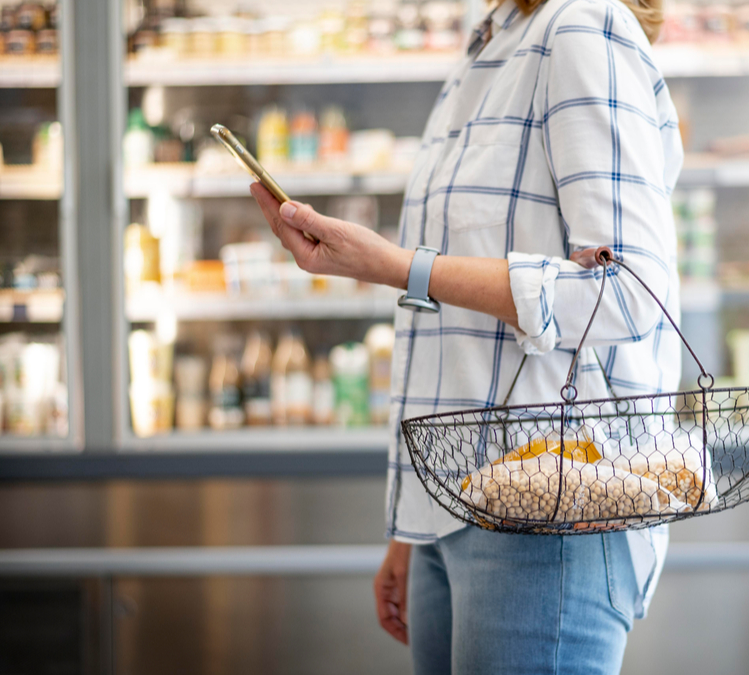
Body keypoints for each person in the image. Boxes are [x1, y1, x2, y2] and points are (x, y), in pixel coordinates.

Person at [252, 0, 682, 670]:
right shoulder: (490, 43)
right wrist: (410, 525)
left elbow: (627, 291)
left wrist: (397, 266)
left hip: (553, 508)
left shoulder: (582, 27)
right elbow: (454, 340)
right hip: (451, 505)